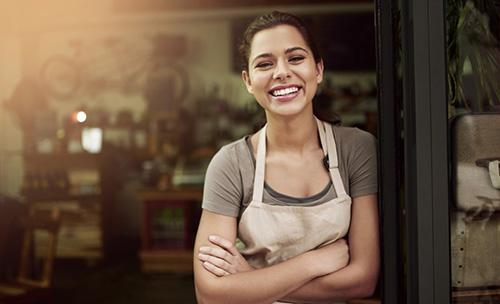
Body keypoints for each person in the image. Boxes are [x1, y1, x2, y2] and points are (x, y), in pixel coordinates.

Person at [193, 11, 379, 304]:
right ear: (248, 80)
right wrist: (314, 263)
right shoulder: (231, 164)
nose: (281, 72)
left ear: (318, 69)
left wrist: (251, 278)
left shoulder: (356, 149)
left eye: (295, 58)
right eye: (265, 64)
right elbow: (210, 294)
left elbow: (364, 279)